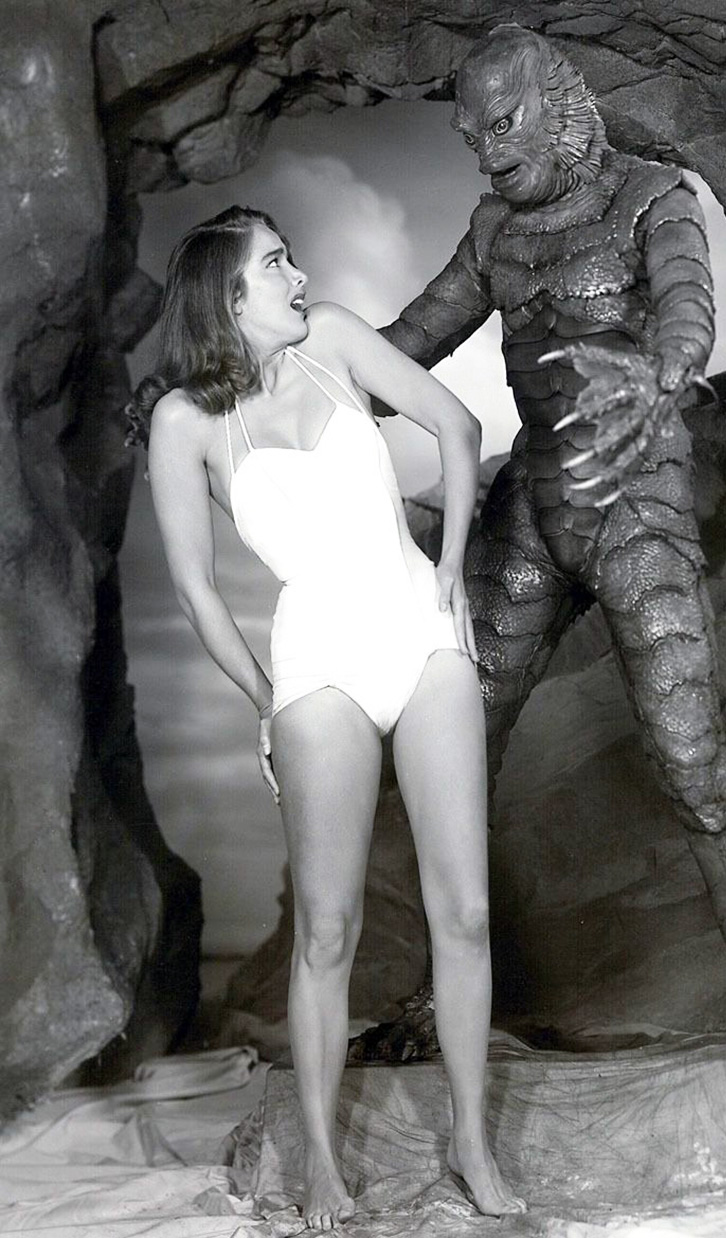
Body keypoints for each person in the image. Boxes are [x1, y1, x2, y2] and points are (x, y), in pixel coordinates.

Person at [127, 204, 526, 1229]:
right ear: (230, 295)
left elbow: (458, 426)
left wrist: (449, 568)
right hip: (318, 664)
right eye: (277, 263)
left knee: (466, 913)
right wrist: (267, 700)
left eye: (294, 258)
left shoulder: (336, 339)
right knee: (329, 927)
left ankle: (471, 1144)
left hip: (419, 632)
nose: (298, 275)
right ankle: (321, 1163)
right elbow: (197, 591)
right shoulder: (183, 424)